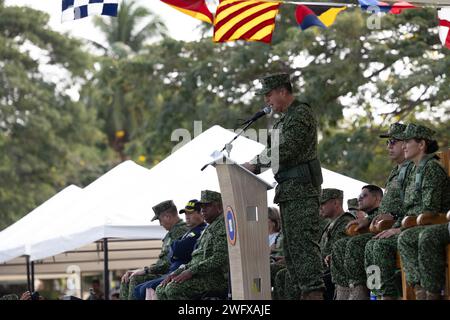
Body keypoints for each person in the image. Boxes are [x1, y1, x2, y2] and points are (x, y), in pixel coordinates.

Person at [242, 73, 324, 300]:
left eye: (268, 95)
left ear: (282, 91)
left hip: (302, 191)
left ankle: (314, 294)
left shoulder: (300, 114)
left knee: (303, 249)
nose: (267, 101)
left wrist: (254, 164)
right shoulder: (283, 119)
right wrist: (251, 165)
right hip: (288, 192)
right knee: (292, 251)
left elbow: (285, 149)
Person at [397, 124, 449, 300]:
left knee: (423, 236)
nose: (403, 146)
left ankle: (433, 294)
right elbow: (408, 207)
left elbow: (430, 209)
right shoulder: (413, 170)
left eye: (407, 142)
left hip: (439, 221)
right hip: (419, 223)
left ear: (421, 145)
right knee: (406, 237)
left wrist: (405, 224)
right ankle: (420, 293)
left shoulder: (431, 168)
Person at [363, 123, 414, 300]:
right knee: (368, 246)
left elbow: (413, 206)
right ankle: (375, 294)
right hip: (385, 225)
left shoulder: (414, 169)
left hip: (405, 225)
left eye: (394, 141)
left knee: (377, 246)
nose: (389, 146)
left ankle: (387, 296)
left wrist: (394, 218)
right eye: (388, 142)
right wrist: (369, 220)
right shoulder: (395, 171)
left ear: (406, 144)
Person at [155, 190, 229, 300]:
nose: (203, 209)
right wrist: (177, 272)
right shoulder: (209, 227)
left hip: (215, 277)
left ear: (218, 207)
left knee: (173, 289)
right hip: (200, 274)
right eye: (201, 206)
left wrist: (191, 271)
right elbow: (196, 259)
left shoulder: (222, 225)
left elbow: (219, 258)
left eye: (207, 206)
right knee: (161, 289)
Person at [135, 200, 207, 300]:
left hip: (184, 273)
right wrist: (175, 248)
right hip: (175, 271)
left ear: (201, 213)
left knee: (146, 288)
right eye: (185, 213)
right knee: (139, 288)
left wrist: (175, 248)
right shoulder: (190, 232)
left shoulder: (199, 231)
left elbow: (178, 250)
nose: (186, 216)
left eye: (190, 213)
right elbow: (173, 251)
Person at [119, 200, 188, 300]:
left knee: (135, 279)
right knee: (127, 278)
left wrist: (146, 270)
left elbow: (167, 263)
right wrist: (142, 270)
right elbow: (163, 262)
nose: (160, 224)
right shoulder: (172, 232)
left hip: (172, 274)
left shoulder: (180, 231)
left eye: (160, 220)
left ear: (167, 217)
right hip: (165, 273)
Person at [330, 185, 383, 299]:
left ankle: (360, 292)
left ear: (377, 198)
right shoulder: (366, 218)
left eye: (364, 195)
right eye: (359, 196)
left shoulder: (383, 215)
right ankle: (344, 292)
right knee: (339, 245)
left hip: (380, 244)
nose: (359, 198)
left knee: (354, 243)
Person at [319, 188, 355, 300]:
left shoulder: (346, 222)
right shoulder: (331, 224)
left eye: (323, 203)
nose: (320, 207)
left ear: (335, 203)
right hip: (325, 271)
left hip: (335, 273)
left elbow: (334, 254)